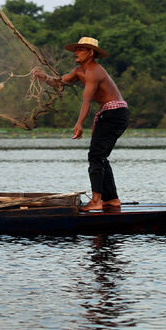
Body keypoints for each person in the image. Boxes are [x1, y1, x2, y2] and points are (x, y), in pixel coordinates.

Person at [32, 37, 129, 211]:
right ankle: (112, 199)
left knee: (96, 156)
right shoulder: (78, 71)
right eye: (76, 49)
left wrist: (79, 123)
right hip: (111, 113)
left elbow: (87, 100)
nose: (76, 52)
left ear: (91, 53)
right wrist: (42, 77)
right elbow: (59, 82)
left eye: (81, 49)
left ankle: (97, 201)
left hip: (114, 113)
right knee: (100, 157)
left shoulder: (95, 71)